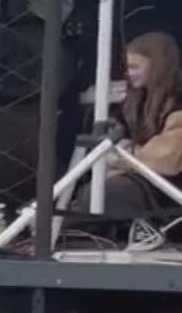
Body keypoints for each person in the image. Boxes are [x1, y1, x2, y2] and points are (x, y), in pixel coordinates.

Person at [74, 31, 182, 220]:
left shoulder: (178, 103)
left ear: (157, 66)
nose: (128, 73)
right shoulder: (134, 100)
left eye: (135, 67)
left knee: (109, 193)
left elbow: (165, 159)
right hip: (141, 177)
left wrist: (119, 159)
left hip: (169, 186)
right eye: (127, 67)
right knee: (91, 194)